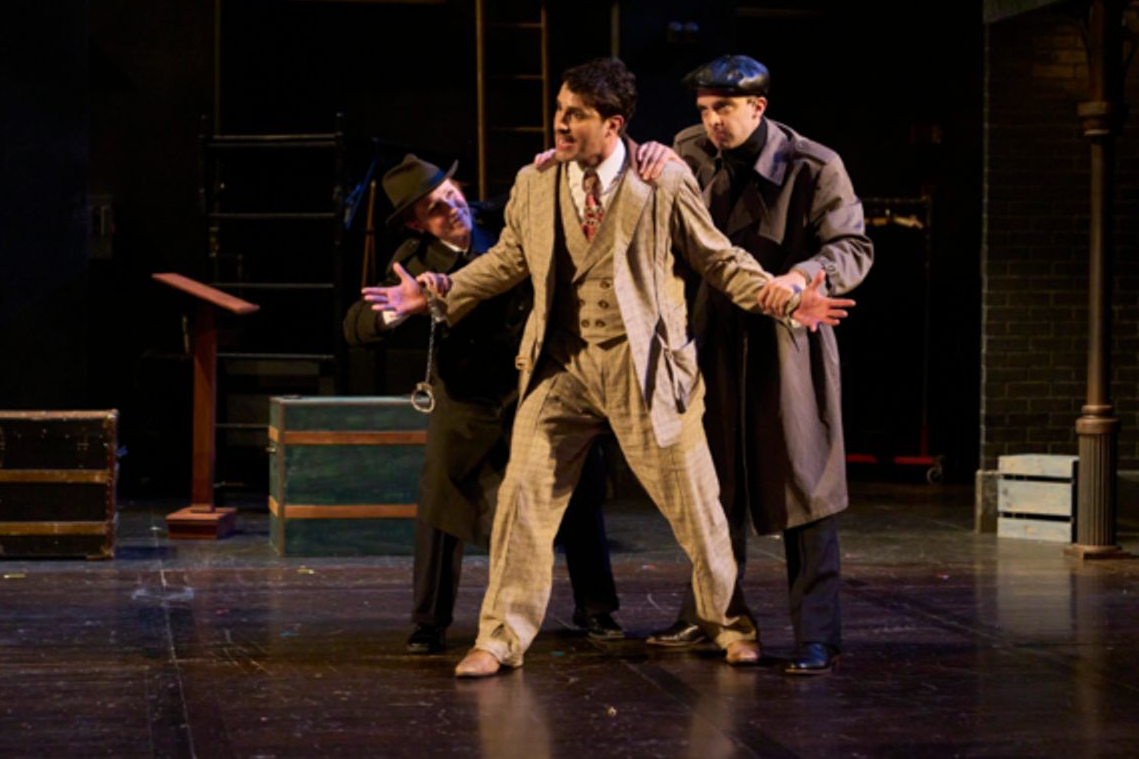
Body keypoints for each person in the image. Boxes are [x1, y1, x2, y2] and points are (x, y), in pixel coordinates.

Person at [362, 57, 854, 678]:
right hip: (562, 365)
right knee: (523, 499)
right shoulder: (536, 182)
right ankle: (500, 637)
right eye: (559, 111)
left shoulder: (662, 181)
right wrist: (436, 293)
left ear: (613, 124)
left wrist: (782, 295)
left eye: (576, 115)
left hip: (644, 367)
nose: (560, 125)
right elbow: (508, 260)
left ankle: (730, 623)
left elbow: (718, 259)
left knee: (697, 507)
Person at [644, 55, 874, 675]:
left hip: (787, 339)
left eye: (723, 109)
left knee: (806, 486)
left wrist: (802, 276)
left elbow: (852, 244)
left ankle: (817, 634)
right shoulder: (687, 152)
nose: (712, 122)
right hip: (710, 333)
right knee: (710, 484)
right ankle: (709, 615)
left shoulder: (813, 164)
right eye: (704, 110)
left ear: (758, 107)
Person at [344, 154, 623, 655]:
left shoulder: (502, 219)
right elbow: (357, 326)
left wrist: (558, 162)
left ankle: (597, 608)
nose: (451, 207)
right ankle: (429, 621)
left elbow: (558, 192)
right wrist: (397, 313)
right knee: (441, 494)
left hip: (534, 383)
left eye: (450, 193)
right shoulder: (414, 262)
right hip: (469, 397)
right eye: (434, 208)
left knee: (577, 486)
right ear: (417, 224)